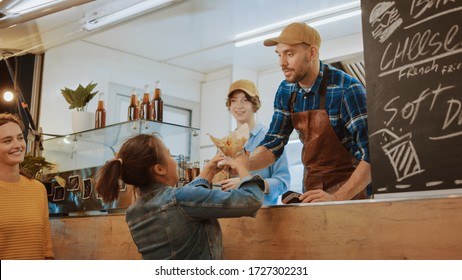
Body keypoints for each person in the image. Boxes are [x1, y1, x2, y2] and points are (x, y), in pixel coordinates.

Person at [249, 22, 370, 203]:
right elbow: (273, 143)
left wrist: (337, 197)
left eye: (289, 54)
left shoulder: (347, 89)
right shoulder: (286, 90)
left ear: (312, 53)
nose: (282, 63)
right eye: (279, 55)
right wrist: (242, 164)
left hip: (352, 197)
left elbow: (372, 155)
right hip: (312, 194)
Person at [95, 133, 264, 260]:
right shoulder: (181, 199)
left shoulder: (132, 213)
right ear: (159, 169)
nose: (174, 160)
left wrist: (209, 171)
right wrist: (242, 167)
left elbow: (183, 203)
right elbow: (251, 200)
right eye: (169, 155)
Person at [219, 79, 290, 205]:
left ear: (254, 104)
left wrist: (249, 182)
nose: (239, 106)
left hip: (262, 216)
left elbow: (283, 183)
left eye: (245, 100)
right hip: (231, 215)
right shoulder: (225, 143)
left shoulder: (272, 139)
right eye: (234, 101)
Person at [0, 113, 54, 259]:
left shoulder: (37, 189)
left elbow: (46, 247)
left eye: (20, 138)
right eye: (7, 141)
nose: (18, 145)